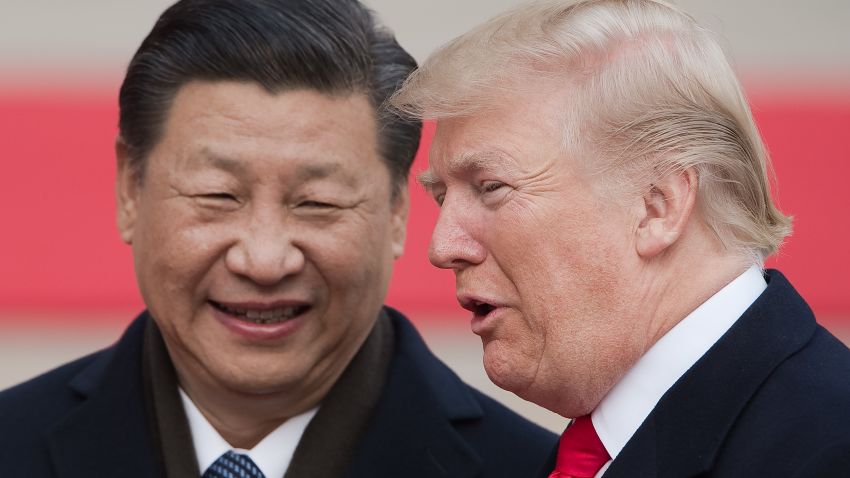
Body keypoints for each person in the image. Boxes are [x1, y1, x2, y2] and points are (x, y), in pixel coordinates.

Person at [0, 0, 557, 476]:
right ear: (130, 189)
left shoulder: (539, 470)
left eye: (317, 203)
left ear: (395, 210)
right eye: (218, 195)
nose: (265, 261)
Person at [391, 0, 850, 476]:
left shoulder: (829, 447)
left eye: (491, 188)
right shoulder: (603, 447)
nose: (442, 247)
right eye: (442, 197)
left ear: (657, 205)